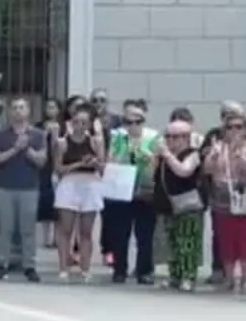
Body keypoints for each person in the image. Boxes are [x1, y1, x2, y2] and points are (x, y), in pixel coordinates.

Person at [204, 108, 246, 297]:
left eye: (239, 127)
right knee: (226, 240)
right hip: (221, 199)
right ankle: (229, 279)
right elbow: (207, 169)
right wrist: (214, 156)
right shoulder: (219, 146)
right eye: (230, 127)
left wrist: (238, 155)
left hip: (243, 198)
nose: (234, 131)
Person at [0, 96, 48, 282]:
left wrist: (27, 148)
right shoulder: (1, 135)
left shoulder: (38, 135)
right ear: (9, 111)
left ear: (28, 111)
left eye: (22, 107)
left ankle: (29, 265)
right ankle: (1, 264)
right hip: (5, 187)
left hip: (29, 188)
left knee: (27, 229)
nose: (18, 111)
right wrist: (15, 149)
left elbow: (42, 161)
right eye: (14, 107)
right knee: (5, 228)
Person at [103, 100, 159, 284]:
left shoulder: (153, 136)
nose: (133, 126)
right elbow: (112, 159)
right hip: (123, 190)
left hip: (145, 189)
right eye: (129, 122)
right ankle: (119, 269)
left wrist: (143, 153)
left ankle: (144, 270)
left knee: (145, 235)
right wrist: (126, 150)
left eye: (138, 121)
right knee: (120, 233)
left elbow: (156, 161)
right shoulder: (118, 136)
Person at [51, 103, 105, 283]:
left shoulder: (95, 141)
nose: (80, 126)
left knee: (86, 231)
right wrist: (78, 164)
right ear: (71, 123)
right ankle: (63, 268)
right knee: (65, 229)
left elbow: (103, 167)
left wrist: (94, 163)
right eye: (76, 122)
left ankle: (85, 268)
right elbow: (58, 168)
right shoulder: (62, 142)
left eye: (84, 122)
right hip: (69, 183)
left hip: (90, 184)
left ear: (89, 124)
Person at [153, 121, 205, 292]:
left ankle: (188, 276)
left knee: (187, 243)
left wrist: (167, 155)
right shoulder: (164, 156)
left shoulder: (193, 154)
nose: (170, 141)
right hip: (168, 205)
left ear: (186, 138)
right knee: (172, 243)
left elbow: (184, 171)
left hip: (187, 206)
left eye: (175, 137)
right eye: (167, 136)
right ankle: (175, 275)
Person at [37, 97, 62, 247]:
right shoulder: (39, 126)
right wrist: (45, 133)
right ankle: (46, 237)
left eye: (53, 107)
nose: (50, 110)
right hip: (44, 167)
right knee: (46, 202)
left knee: (59, 203)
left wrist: (56, 136)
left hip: (58, 165)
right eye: (48, 107)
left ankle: (57, 237)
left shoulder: (65, 127)